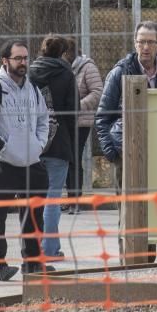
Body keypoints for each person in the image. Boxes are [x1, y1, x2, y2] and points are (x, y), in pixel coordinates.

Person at [0, 40, 54, 279]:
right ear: (5, 61)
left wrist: (39, 145)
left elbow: (44, 119)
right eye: (18, 58)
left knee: (34, 215)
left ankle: (33, 263)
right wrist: (3, 147)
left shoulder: (32, 89)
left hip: (32, 163)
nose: (23, 63)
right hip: (3, 165)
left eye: (25, 58)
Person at [95, 21, 157, 173]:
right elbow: (103, 116)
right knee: (127, 197)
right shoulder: (119, 72)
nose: (146, 47)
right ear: (135, 44)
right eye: (141, 42)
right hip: (126, 150)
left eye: (150, 42)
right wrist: (112, 152)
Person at [28, 34, 78, 260]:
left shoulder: (29, 71)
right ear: (63, 52)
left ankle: (31, 248)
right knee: (53, 198)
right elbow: (73, 110)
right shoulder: (66, 73)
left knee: (33, 199)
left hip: (33, 144)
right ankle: (50, 249)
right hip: (59, 144)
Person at [62, 37, 102, 213]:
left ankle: (75, 200)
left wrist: (78, 106)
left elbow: (97, 91)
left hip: (81, 121)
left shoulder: (87, 67)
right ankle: (70, 198)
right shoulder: (63, 68)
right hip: (65, 120)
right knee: (66, 159)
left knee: (74, 158)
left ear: (69, 53)